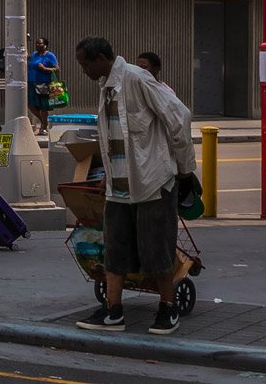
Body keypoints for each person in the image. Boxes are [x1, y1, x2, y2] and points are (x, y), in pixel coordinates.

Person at [73, 35, 200, 337]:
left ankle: (168, 310)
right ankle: (113, 311)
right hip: (118, 187)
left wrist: (184, 170)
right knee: (115, 251)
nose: (83, 71)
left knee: (157, 250)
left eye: (84, 64)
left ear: (99, 59)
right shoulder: (106, 85)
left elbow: (178, 117)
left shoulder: (137, 78)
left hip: (152, 182)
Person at [28, 35, 61, 136]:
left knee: (43, 107)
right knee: (30, 105)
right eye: (37, 43)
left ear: (45, 45)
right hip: (31, 83)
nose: (37, 45)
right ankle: (43, 122)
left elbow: (57, 69)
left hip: (43, 84)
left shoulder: (49, 55)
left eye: (40, 43)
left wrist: (45, 68)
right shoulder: (34, 54)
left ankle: (44, 127)